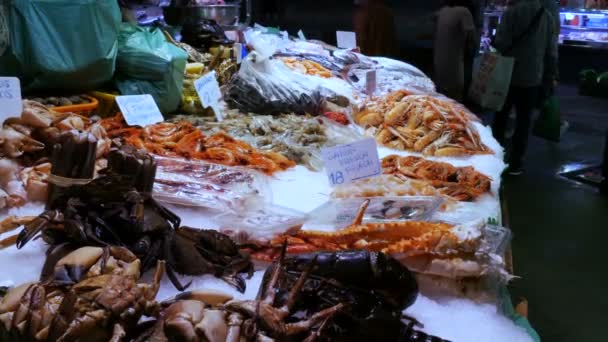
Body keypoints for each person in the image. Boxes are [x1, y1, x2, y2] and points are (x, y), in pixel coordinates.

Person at [492, 0, 557, 175]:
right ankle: (516, 163)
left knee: (500, 117)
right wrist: (550, 76)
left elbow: (500, 42)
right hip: (532, 78)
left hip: (507, 75)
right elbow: (551, 51)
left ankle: (494, 158)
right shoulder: (546, 16)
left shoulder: (511, 13)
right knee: (523, 121)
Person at [433, 0, 477, 102]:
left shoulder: (443, 11)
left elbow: (432, 17)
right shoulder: (464, 12)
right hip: (454, 62)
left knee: (442, 93)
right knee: (456, 95)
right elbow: (472, 37)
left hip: (439, 60)